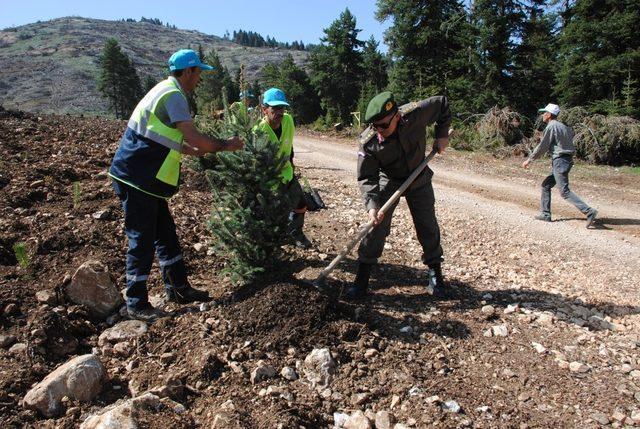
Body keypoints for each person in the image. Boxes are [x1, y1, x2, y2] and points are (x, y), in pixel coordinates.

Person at [109, 49, 244, 322]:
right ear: (187, 72)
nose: (200, 80)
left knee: (166, 235)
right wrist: (225, 146)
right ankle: (136, 302)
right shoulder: (174, 96)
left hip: (145, 178)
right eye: (198, 73)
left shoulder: (165, 90)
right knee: (142, 239)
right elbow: (193, 135)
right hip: (138, 176)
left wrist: (193, 151)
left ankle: (178, 288)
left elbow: (164, 137)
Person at [346, 91, 451, 300]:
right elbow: (367, 177)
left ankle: (435, 275)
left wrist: (442, 135)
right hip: (390, 180)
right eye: (375, 126)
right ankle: (362, 278)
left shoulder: (415, 114)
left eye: (384, 125)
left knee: (427, 225)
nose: (380, 131)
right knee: (375, 226)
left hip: (418, 176)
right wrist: (372, 205)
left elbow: (442, 104)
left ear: (396, 116)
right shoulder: (369, 142)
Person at [522, 103, 597, 227]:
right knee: (546, 185)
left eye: (544, 113)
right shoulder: (564, 127)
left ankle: (589, 211)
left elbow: (543, 146)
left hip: (560, 161)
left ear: (549, 115)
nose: (542, 115)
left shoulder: (551, 126)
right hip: (565, 160)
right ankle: (545, 214)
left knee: (564, 192)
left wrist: (529, 160)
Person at [255, 88, 311, 248]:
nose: (279, 112)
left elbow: (289, 145)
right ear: (264, 109)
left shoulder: (288, 121)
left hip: (287, 172)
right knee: (276, 212)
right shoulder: (259, 132)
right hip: (271, 179)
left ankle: (296, 233)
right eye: (275, 109)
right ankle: (274, 241)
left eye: (282, 108)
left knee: (300, 204)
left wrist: (292, 164)